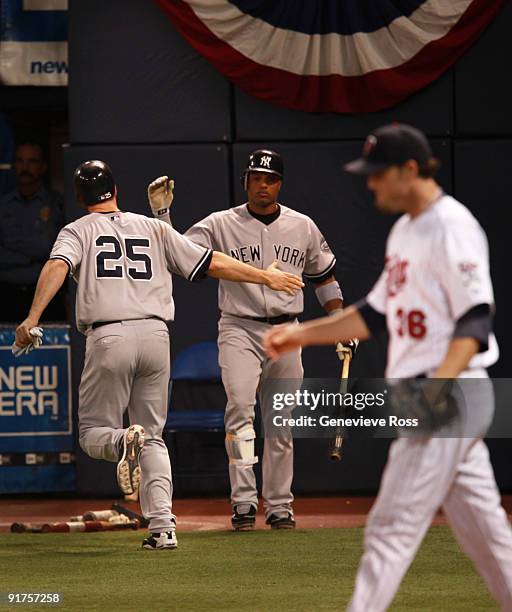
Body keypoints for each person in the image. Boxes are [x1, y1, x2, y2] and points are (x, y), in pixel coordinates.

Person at [264, 124, 512, 610]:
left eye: (379, 174)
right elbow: (373, 314)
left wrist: (436, 393)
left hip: (448, 391)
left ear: (411, 170)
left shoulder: (451, 226)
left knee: (389, 528)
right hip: (445, 394)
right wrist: (301, 333)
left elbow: (477, 320)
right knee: (487, 534)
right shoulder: (405, 231)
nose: (371, 183)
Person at [14, 160, 303, 551]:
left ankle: (120, 443)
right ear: (115, 191)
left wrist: (32, 317)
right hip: (155, 335)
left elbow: (56, 265)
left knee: (93, 434)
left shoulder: (77, 229)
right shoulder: (152, 226)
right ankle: (163, 527)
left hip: (109, 334)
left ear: (80, 198)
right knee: (153, 436)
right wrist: (265, 276)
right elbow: (210, 261)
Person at [147, 149, 356, 531]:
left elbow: (325, 278)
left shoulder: (303, 225)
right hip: (239, 327)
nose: (263, 185)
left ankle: (279, 504)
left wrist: (338, 321)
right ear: (245, 180)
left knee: (281, 421)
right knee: (241, 414)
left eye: (270, 178)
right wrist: (163, 217)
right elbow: (177, 255)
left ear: (280, 183)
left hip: (287, 328)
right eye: (256, 177)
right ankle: (243, 500)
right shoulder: (220, 223)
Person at [0, 141, 64, 322]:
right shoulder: (3, 206)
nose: (25, 167)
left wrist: (13, 246)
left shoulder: (56, 204)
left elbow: (49, 248)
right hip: (6, 296)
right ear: (13, 165)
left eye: (32, 161)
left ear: (43, 167)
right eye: (20, 161)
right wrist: (30, 257)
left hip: (47, 296)